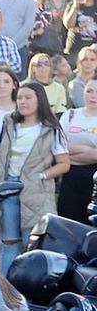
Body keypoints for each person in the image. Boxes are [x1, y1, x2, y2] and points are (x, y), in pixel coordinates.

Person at [0, 81, 68, 271]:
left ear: (40, 100)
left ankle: (29, 285)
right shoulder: (8, 122)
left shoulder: (51, 128)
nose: (23, 101)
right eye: (20, 97)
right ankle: (7, 285)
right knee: (8, 242)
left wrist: (41, 176)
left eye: (28, 97)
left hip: (36, 191)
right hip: (7, 188)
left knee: (31, 242)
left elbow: (64, 163)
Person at [60, 79, 97, 221]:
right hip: (69, 177)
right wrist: (87, 149)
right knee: (68, 222)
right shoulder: (70, 115)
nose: (93, 96)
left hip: (93, 179)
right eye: (89, 91)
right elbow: (59, 147)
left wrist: (71, 153)